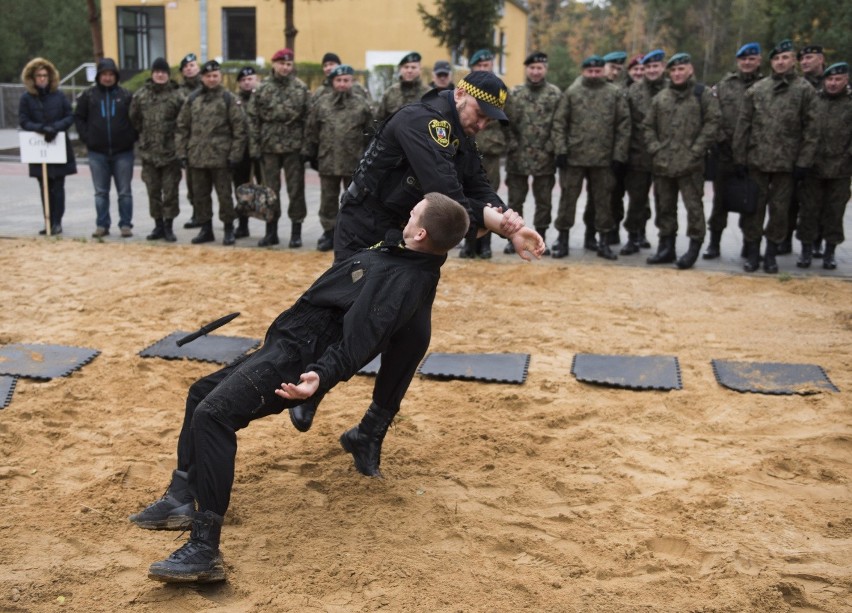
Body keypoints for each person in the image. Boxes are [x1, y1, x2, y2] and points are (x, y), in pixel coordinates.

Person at [131, 192, 473, 584]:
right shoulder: (414, 257)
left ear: (421, 233)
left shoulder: (400, 279)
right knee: (199, 394)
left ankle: (204, 549)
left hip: (295, 356)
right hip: (286, 344)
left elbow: (363, 338)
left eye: (412, 215)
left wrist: (321, 376)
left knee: (214, 417)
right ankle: (180, 497)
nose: (406, 216)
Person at [288, 70, 546, 472]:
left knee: (412, 336)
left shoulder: (459, 133)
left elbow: (478, 188)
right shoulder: (421, 121)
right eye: (480, 114)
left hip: (417, 240)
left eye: (489, 120)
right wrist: (504, 225)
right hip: (369, 229)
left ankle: (369, 433)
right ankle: (314, 387)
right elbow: (446, 193)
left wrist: (508, 221)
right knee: (352, 321)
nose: (482, 124)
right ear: (460, 94)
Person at [733, 39, 819, 274]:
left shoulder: (804, 91)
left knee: (780, 211)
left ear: (793, 61)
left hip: (786, 164)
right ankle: (753, 254)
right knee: (753, 209)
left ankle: (771, 254)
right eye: (777, 58)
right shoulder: (757, 90)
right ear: (771, 62)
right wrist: (739, 158)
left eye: (785, 58)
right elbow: (743, 126)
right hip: (757, 161)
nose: (781, 62)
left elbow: (812, 130)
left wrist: (803, 162)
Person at [643, 53, 720, 269]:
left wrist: (696, 150)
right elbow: (648, 126)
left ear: (690, 70)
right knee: (665, 207)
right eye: (674, 70)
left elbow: (713, 123)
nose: (677, 74)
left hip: (691, 164)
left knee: (694, 208)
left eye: (681, 69)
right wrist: (655, 149)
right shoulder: (661, 97)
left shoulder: (701, 94)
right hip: (663, 164)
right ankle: (666, 247)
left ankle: (694, 248)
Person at [550, 55, 630, 260]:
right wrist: (560, 150)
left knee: (603, 202)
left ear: (603, 71)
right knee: (568, 201)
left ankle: (603, 242)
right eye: (589, 71)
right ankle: (563, 239)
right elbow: (559, 123)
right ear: (583, 71)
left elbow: (623, 125)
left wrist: (618, 155)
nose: (594, 74)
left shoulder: (614, 93)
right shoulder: (572, 92)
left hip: (604, 160)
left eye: (597, 71)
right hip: (573, 159)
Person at [301, 64, 374, 251]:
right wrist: (310, 153)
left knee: (355, 200)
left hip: (354, 162)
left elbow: (371, 133)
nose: (342, 84)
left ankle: (353, 235)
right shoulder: (321, 104)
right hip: (328, 160)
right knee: (328, 200)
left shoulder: (362, 104)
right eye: (339, 80)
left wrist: (369, 158)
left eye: (346, 80)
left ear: (352, 82)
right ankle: (329, 233)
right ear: (333, 82)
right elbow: (311, 131)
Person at [175, 60, 247, 245]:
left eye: (215, 76)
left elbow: (239, 129)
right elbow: (182, 127)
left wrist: (235, 155)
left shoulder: (228, 99)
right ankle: (206, 228)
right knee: (200, 196)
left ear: (220, 76)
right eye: (208, 76)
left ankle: (229, 229)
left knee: (224, 196)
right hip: (197, 157)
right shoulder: (193, 99)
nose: (212, 79)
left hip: (221, 158)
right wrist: (182, 153)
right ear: (202, 78)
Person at [703, 43, 763, 260]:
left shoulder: (765, 85)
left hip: (754, 155)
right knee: (720, 202)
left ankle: (749, 244)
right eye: (743, 59)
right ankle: (714, 243)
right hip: (725, 154)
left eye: (752, 58)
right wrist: (720, 140)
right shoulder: (725, 85)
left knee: (752, 202)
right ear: (738, 61)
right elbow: (713, 115)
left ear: (759, 60)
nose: (747, 62)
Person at [247, 48, 310, 248]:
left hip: (294, 148)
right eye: (281, 63)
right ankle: (271, 231)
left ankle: (296, 232)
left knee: (296, 191)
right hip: (269, 147)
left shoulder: (300, 88)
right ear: (274, 64)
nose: (285, 67)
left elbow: (309, 120)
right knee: (269, 192)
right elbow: (252, 119)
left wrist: (306, 148)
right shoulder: (263, 88)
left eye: (289, 64)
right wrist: (255, 148)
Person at [503, 51, 561, 255]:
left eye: (540, 68)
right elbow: (505, 122)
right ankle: (513, 237)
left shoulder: (555, 94)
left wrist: (552, 147)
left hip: (545, 156)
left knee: (544, 200)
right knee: (515, 200)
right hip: (518, 156)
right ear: (526, 69)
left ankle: (540, 237)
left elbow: (559, 124)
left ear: (545, 69)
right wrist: (511, 144)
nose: (536, 72)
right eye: (532, 68)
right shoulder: (515, 93)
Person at [796, 62, 851, 271]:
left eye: (838, 79)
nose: (833, 83)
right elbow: (803, 129)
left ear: (846, 80)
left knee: (834, 212)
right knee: (809, 211)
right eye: (830, 79)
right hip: (814, 167)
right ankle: (806, 250)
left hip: (841, 169)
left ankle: (830, 252)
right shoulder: (814, 101)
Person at [74, 57, 137, 238]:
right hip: (97, 153)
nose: (108, 78)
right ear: (99, 76)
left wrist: (131, 137)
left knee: (124, 192)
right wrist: (87, 138)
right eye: (104, 74)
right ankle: (102, 225)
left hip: (123, 153)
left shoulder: (125, 95)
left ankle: (125, 224)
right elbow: (78, 117)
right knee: (101, 193)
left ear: (116, 76)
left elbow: (136, 119)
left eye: (111, 74)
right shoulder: (89, 96)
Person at [18, 57, 77, 236]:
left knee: (58, 185)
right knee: (44, 186)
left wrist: (56, 128)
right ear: (32, 78)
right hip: (38, 148)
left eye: (45, 75)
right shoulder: (26, 99)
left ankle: (58, 221)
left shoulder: (59, 96)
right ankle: (48, 220)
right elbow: (23, 120)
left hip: (58, 146)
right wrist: (41, 129)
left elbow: (69, 116)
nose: (42, 78)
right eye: (39, 75)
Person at [129, 57, 184, 243]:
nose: (160, 75)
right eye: (157, 71)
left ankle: (168, 226)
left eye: (163, 72)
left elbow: (184, 123)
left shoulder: (178, 96)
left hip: (171, 154)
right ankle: (158, 225)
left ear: (168, 75)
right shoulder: (141, 96)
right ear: (152, 74)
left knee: (170, 192)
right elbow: (135, 119)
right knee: (153, 191)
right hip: (149, 154)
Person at [620, 49, 667, 256]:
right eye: (648, 67)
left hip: (666, 157)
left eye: (656, 66)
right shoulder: (634, 92)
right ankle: (632, 236)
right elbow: (624, 125)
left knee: (664, 201)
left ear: (663, 67)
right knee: (637, 200)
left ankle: (665, 240)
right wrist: (622, 155)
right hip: (638, 157)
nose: (652, 70)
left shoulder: (670, 89)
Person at [459, 48, 505, 259]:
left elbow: (509, 125)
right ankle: (469, 243)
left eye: (488, 65)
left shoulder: (499, 94)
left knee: (489, 196)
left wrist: (505, 146)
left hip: (490, 154)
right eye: (480, 66)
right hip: (466, 152)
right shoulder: (466, 97)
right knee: (466, 195)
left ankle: (485, 245)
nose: (485, 69)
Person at [231, 65, 260, 240]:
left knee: (266, 190)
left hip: (262, 152)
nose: (247, 82)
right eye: (243, 80)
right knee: (241, 189)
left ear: (255, 79)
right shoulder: (234, 100)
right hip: (241, 153)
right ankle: (243, 225)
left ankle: (270, 229)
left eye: (250, 79)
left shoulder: (263, 97)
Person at [178, 53, 203, 230]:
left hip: (214, 145)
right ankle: (197, 214)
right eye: (186, 67)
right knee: (193, 184)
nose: (189, 68)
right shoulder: (178, 93)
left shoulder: (209, 86)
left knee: (220, 185)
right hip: (191, 144)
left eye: (192, 65)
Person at [376, 51, 430, 121]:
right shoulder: (390, 93)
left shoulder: (428, 93)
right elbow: (379, 119)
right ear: (400, 69)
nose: (409, 70)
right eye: (406, 67)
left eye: (413, 67)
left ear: (420, 70)